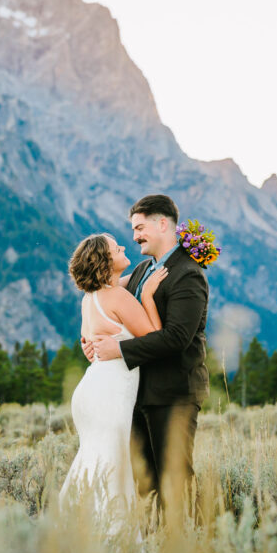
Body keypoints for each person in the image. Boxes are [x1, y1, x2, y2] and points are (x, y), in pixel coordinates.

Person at [83, 194, 209, 527]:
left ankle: (186, 550)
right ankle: (156, 548)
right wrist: (93, 341)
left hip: (173, 394)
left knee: (175, 478)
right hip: (136, 394)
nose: (135, 236)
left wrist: (119, 351)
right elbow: (102, 295)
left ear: (162, 223)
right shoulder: (141, 270)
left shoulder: (188, 274)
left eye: (140, 228)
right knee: (146, 483)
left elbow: (177, 338)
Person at [59, 232, 168, 533]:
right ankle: (112, 545)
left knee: (94, 463)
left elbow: (88, 341)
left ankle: (79, 535)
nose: (122, 246)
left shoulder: (90, 298)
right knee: (113, 468)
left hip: (91, 391)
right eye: (114, 247)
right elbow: (154, 338)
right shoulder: (118, 297)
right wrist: (146, 297)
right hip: (110, 393)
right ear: (104, 261)